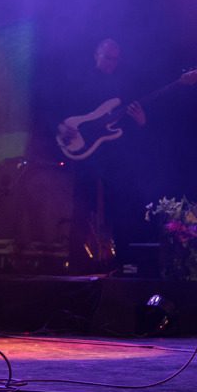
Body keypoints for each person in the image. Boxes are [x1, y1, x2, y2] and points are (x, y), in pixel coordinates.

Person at [57, 38, 149, 273]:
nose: (111, 63)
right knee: (82, 207)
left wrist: (141, 123)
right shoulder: (80, 82)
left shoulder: (124, 87)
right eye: (108, 57)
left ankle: (121, 261)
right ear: (96, 55)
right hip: (86, 154)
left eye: (115, 59)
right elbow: (60, 110)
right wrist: (61, 127)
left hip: (113, 157)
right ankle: (77, 261)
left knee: (119, 206)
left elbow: (127, 127)